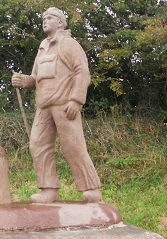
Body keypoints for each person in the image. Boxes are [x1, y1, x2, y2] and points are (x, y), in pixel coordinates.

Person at [12, 7, 102, 204]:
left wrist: (76, 100)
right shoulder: (42, 46)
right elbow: (36, 78)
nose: (45, 21)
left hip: (64, 105)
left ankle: (91, 189)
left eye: (50, 18)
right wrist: (23, 80)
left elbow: (82, 72)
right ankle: (49, 189)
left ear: (60, 22)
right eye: (43, 18)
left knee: (74, 146)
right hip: (43, 106)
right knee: (37, 144)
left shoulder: (69, 44)